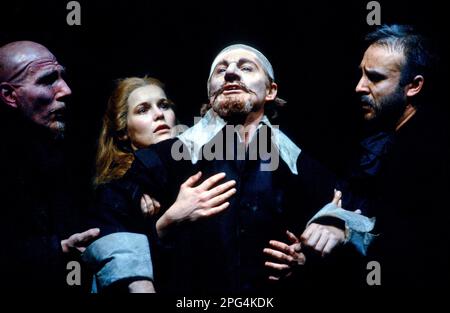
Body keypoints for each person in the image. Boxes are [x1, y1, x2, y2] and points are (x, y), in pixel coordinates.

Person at [92, 44, 373, 293]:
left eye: (246, 67)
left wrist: (335, 226)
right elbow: (108, 221)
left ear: (271, 91)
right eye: (221, 70)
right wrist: (164, 226)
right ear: (210, 92)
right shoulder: (168, 156)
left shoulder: (296, 162)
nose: (230, 73)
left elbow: (361, 211)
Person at [262, 24, 449, 287]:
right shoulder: (378, 138)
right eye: (361, 74)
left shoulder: (433, 148)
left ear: (414, 86)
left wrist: (349, 231)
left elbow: (418, 247)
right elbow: (345, 201)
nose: (360, 86)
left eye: (375, 77)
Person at [84, 76, 236, 292]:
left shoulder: (202, 161)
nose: (159, 115)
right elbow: (117, 270)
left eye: (164, 105)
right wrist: (166, 223)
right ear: (124, 131)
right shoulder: (114, 190)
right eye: (143, 110)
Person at [0, 41, 100, 291]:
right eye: (47, 81)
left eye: (62, 77)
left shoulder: (66, 149)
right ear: (10, 96)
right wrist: (59, 248)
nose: (65, 90)